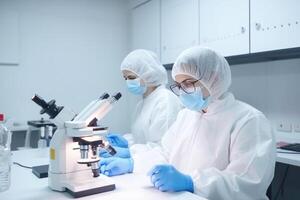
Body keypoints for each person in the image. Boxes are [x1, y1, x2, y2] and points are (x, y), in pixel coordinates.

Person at [100, 47, 276, 200]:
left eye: (189, 83)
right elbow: (165, 152)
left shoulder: (248, 120)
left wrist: (191, 182)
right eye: (178, 85)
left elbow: (247, 181)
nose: (182, 92)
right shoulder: (187, 116)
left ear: (213, 77)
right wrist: (133, 164)